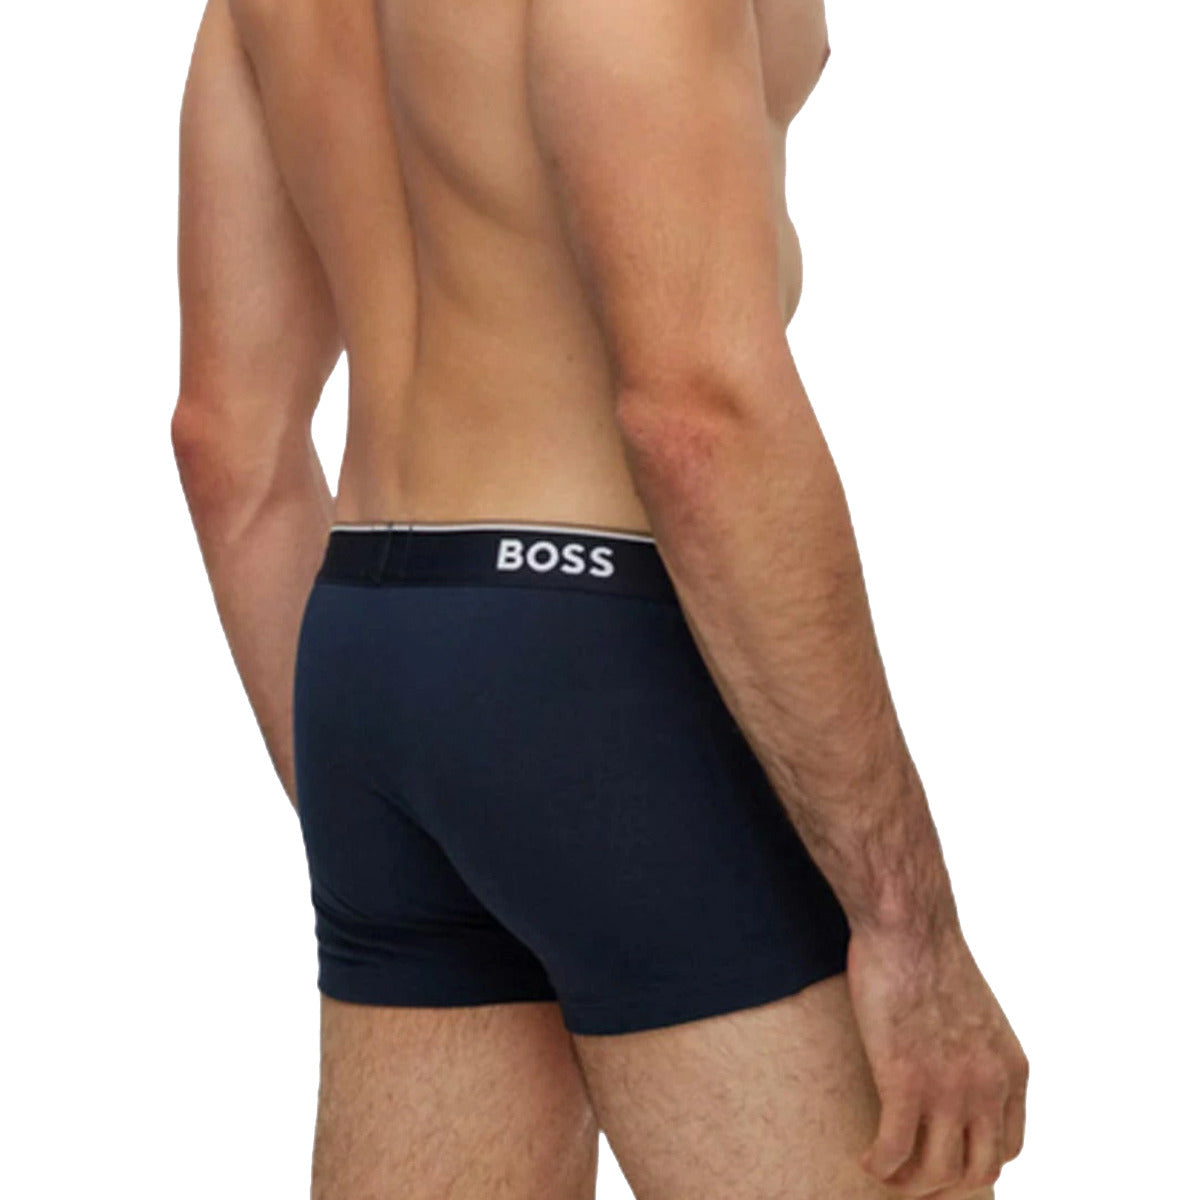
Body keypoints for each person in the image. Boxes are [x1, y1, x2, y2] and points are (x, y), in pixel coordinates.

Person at [172, 0, 1029, 1196]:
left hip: (367, 652)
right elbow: (695, 418)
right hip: (597, 670)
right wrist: (910, 929)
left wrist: (433, 828)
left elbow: (231, 454)